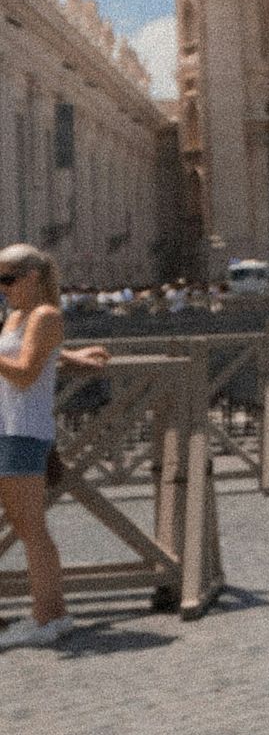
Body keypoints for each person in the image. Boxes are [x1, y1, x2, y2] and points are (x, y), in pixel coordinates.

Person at [0, 244, 74, 649]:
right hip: (6, 427)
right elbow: (41, 355)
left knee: (30, 528)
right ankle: (50, 613)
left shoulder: (45, 315)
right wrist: (73, 356)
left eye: (7, 278)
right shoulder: (16, 317)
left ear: (31, 277)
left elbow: (27, 373)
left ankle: (50, 616)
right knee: (25, 525)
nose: (2, 287)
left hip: (24, 430)